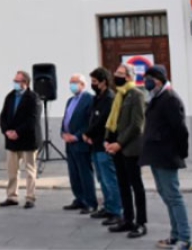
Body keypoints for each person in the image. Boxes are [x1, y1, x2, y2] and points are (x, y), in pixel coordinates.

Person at [139, 65, 192, 250]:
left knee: (173, 196)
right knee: (167, 195)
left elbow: (180, 130)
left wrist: (181, 153)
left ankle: (185, 239)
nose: (145, 82)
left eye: (149, 79)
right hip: (157, 154)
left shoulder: (169, 98)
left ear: (158, 80)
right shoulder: (157, 97)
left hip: (167, 155)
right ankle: (175, 235)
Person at [104, 63, 147, 239]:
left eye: (120, 73)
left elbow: (136, 125)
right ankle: (127, 218)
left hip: (130, 148)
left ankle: (141, 222)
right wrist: (108, 139)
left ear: (130, 76)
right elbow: (112, 119)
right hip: (116, 147)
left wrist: (119, 143)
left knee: (136, 185)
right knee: (122, 184)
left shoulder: (136, 94)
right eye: (116, 72)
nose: (116, 75)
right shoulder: (119, 94)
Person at [84, 67, 123, 224]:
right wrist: (87, 134)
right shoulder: (97, 98)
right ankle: (108, 207)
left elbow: (103, 122)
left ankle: (116, 211)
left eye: (94, 81)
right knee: (102, 179)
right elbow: (92, 118)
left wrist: (88, 133)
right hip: (95, 144)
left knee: (109, 179)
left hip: (104, 144)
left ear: (103, 82)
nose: (92, 84)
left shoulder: (109, 98)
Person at [0, 70, 42, 209]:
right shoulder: (10, 97)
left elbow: (32, 120)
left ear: (26, 83)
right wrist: (6, 131)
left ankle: (30, 197)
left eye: (18, 81)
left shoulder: (33, 97)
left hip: (27, 139)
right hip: (11, 140)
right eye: (14, 80)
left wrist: (18, 132)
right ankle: (12, 196)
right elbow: (3, 116)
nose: (15, 83)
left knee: (29, 170)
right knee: (12, 170)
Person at [61, 74, 96, 213]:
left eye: (75, 82)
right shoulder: (70, 100)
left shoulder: (89, 99)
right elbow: (66, 119)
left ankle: (90, 201)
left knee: (84, 173)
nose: (72, 85)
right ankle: (79, 199)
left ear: (83, 84)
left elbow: (89, 122)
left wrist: (76, 136)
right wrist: (63, 133)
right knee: (74, 173)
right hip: (69, 143)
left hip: (81, 142)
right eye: (71, 82)